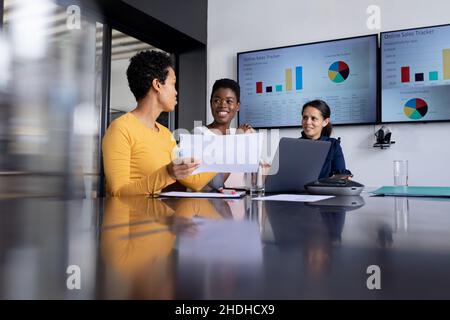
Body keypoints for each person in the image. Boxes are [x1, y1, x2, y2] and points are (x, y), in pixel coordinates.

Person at [102, 50, 216, 196]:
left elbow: (194, 181)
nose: (176, 92)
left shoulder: (165, 134)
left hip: (155, 216)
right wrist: (168, 173)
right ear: (157, 84)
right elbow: (117, 193)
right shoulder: (120, 129)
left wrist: (228, 152)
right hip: (128, 218)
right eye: (173, 84)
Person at [195, 78, 255, 191]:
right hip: (205, 204)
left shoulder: (239, 133)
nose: (222, 105)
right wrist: (238, 141)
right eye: (217, 100)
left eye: (229, 101)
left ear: (237, 106)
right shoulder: (200, 134)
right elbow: (217, 182)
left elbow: (254, 178)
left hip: (236, 203)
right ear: (210, 103)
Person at [299, 99, 352, 179]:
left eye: (313, 118)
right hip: (296, 191)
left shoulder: (334, 145)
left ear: (325, 122)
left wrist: (343, 178)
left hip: (324, 191)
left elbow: (340, 175)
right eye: (305, 117)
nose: (307, 122)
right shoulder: (292, 145)